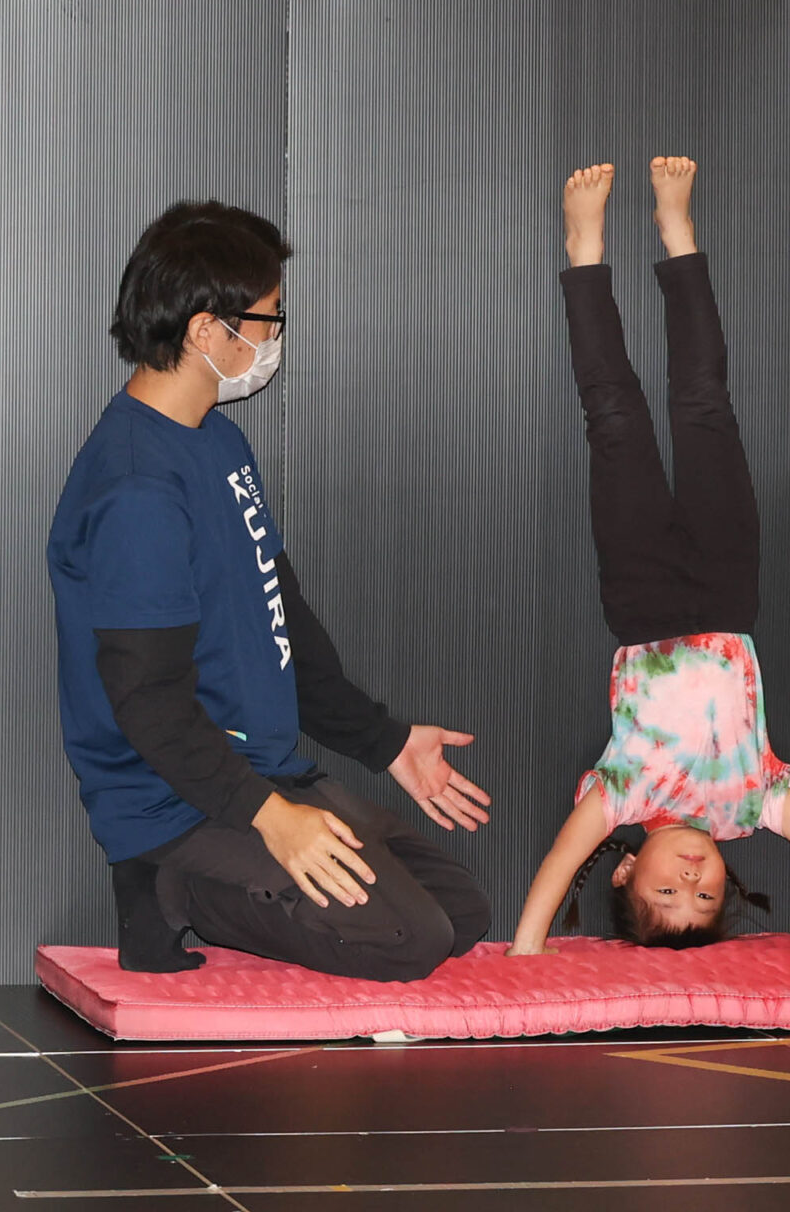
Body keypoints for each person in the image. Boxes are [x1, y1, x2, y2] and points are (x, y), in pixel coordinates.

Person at [48, 200, 491, 980]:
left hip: (262, 775)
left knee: (459, 914)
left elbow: (280, 617)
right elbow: (148, 702)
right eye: (268, 317)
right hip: (176, 804)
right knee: (408, 939)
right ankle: (165, 885)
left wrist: (384, 741)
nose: (275, 336)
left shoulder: (217, 440)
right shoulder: (135, 492)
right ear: (206, 331)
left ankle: (249, 847)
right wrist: (271, 820)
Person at [508, 159, 790, 955]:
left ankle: (584, 254)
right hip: (728, 595)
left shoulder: (619, 800)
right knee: (704, 407)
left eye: (667, 892)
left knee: (615, 419)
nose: (692, 880)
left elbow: (559, 864)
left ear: (626, 872)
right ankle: (678, 235)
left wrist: (526, 954)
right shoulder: (753, 802)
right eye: (705, 897)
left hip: (643, 605)